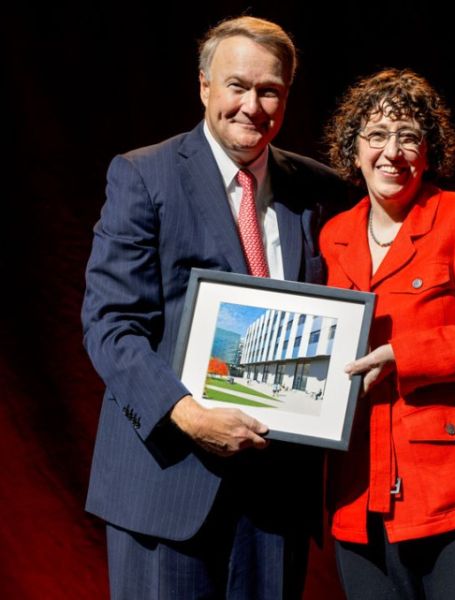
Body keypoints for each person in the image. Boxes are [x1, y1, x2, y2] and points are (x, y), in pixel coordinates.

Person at [82, 16, 349, 600]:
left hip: (275, 501)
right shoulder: (144, 175)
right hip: (167, 487)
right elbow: (111, 325)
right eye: (237, 85)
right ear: (204, 86)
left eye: (269, 89)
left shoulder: (319, 190)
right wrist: (187, 414)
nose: (252, 105)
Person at [320, 68, 455, 599]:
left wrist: (406, 355)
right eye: (376, 135)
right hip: (360, 495)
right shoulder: (333, 236)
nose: (392, 151)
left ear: (428, 151)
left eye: (408, 136)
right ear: (354, 151)